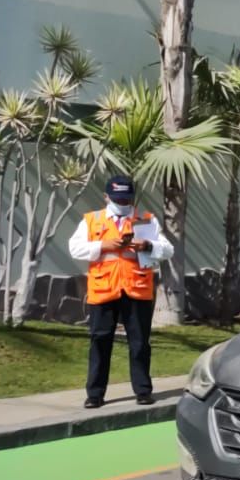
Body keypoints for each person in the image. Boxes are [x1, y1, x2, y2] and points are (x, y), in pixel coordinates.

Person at [67, 175, 173, 409]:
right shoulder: (92, 220)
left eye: (126, 199)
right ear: (106, 197)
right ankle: (95, 394)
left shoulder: (145, 220)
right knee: (100, 340)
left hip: (136, 289)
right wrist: (102, 246)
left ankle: (143, 391)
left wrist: (148, 246)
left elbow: (168, 249)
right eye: (118, 199)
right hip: (104, 289)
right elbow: (74, 248)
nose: (122, 203)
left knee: (139, 342)